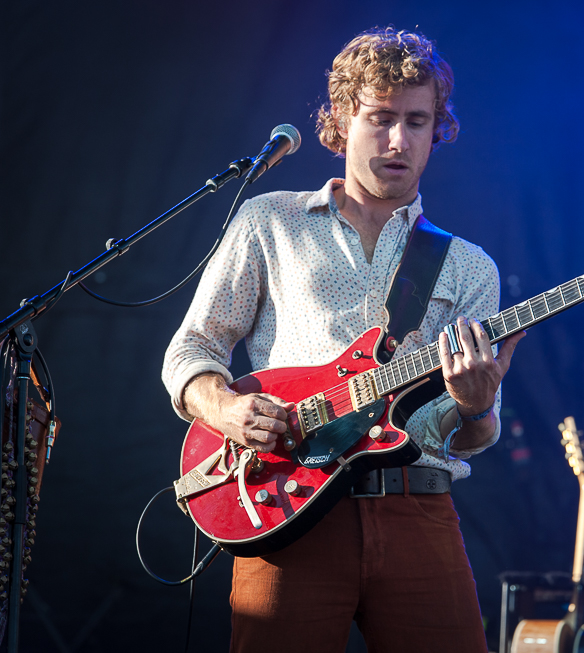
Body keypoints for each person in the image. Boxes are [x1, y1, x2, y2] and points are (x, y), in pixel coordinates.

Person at [162, 27, 524, 653]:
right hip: (285, 508)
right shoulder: (268, 221)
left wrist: (476, 402)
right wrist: (225, 408)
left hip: (417, 507)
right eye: (380, 118)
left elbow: (471, 434)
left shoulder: (469, 267)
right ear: (339, 122)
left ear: (437, 129)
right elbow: (191, 348)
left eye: (417, 121)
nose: (398, 140)